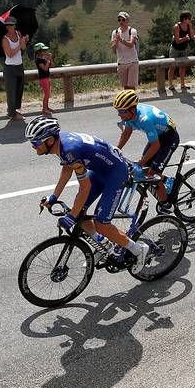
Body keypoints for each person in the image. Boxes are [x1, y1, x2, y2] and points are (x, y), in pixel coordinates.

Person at [27, 116, 150, 272]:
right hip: (100, 171)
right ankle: (104, 244)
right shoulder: (61, 145)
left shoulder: (69, 149)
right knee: (79, 215)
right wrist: (54, 197)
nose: (33, 146)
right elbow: (67, 169)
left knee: (101, 224)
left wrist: (70, 217)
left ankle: (139, 249)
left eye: (35, 143)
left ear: (49, 140)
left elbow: (85, 187)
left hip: (115, 174)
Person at [112, 90, 179, 210]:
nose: (118, 114)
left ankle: (165, 204)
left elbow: (156, 146)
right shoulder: (130, 116)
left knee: (153, 175)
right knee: (143, 170)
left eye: (121, 111)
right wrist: (116, 149)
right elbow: (126, 133)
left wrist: (140, 162)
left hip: (169, 138)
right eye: (118, 110)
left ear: (132, 110)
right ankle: (167, 180)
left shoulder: (144, 119)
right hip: (158, 136)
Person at [1, 16, 28, 121]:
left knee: (19, 90)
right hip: (10, 68)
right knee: (11, 91)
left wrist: (24, 41)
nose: (9, 27)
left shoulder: (19, 34)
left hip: (19, 66)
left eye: (11, 25)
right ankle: (12, 113)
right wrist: (19, 45)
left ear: (14, 25)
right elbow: (10, 54)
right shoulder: (5, 39)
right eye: (7, 25)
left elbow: (23, 48)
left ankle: (15, 110)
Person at [110, 12, 139, 90]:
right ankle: (128, 102)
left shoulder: (132, 31)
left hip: (132, 62)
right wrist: (116, 41)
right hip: (121, 62)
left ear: (128, 21)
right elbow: (113, 49)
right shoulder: (115, 32)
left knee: (131, 87)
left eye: (123, 19)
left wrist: (121, 40)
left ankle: (132, 101)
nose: (121, 22)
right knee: (125, 87)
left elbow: (131, 45)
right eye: (119, 20)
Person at [168, 11, 195, 91]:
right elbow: (177, 40)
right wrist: (185, 38)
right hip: (175, 49)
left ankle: (182, 84)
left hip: (184, 48)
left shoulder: (188, 25)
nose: (191, 20)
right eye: (189, 19)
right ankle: (170, 85)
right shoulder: (177, 26)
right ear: (184, 19)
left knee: (183, 66)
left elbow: (192, 36)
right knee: (172, 66)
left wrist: (193, 29)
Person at [33, 43, 53, 116]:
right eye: (44, 50)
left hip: (47, 77)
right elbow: (45, 69)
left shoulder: (43, 59)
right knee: (46, 94)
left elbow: (52, 65)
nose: (45, 51)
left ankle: (46, 107)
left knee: (48, 93)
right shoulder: (38, 60)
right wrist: (48, 61)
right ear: (39, 52)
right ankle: (44, 109)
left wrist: (50, 59)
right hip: (43, 78)